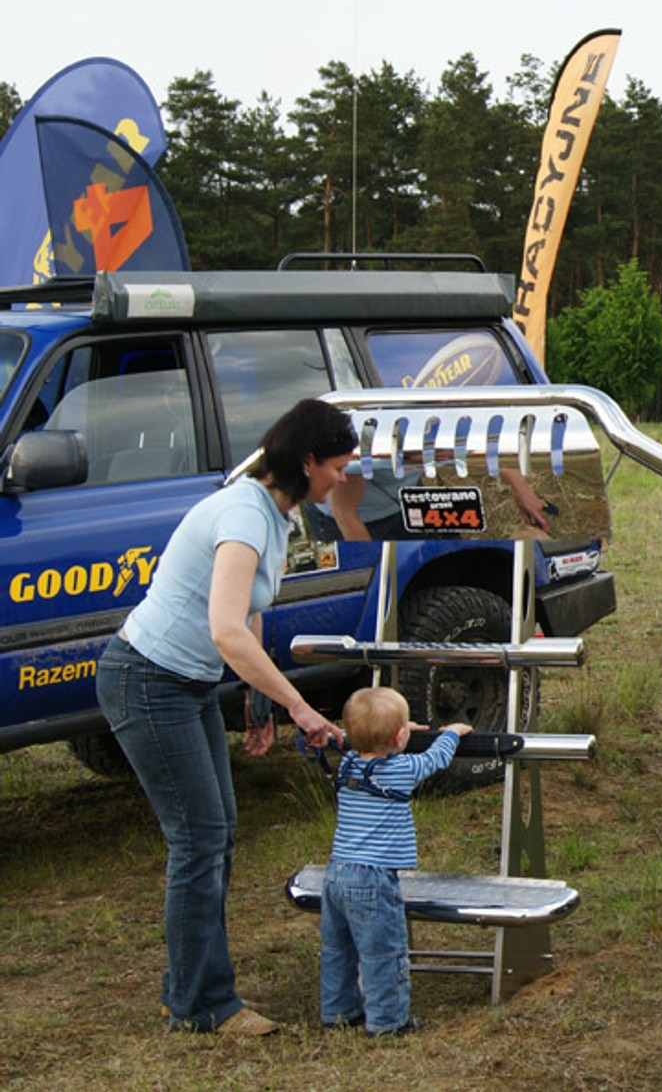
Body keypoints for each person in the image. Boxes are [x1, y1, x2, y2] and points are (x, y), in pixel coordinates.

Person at [94, 397, 357, 1036]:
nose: (343, 480)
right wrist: (299, 706)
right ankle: (202, 1003)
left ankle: (187, 986)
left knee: (217, 831)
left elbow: (251, 611)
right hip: (147, 681)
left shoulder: (278, 512)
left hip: (183, 686)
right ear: (308, 460)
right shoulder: (242, 513)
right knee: (199, 839)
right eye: (339, 466)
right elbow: (224, 630)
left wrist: (257, 700)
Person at [319, 686, 471, 1036]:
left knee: (337, 950)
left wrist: (393, 730)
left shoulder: (349, 763)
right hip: (372, 881)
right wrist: (451, 733)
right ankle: (388, 1023)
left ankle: (338, 1013)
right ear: (400, 736)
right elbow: (435, 760)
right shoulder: (399, 770)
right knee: (383, 954)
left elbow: (361, 738)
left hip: (335, 874)